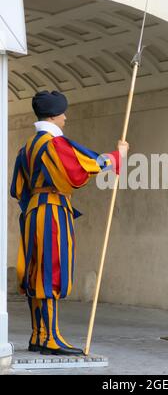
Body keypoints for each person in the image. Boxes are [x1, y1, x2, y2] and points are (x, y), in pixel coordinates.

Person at [10, 90, 129, 355]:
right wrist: (116, 156)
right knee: (52, 270)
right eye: (62, 113)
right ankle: (51, 337)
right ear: (53, 115)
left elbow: (17, 188)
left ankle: (38, 335)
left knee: (36, 271)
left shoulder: (27, 146)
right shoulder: (54, 144)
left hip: (33, 211)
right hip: (52, 210)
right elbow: (82, 167)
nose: (65, 118)